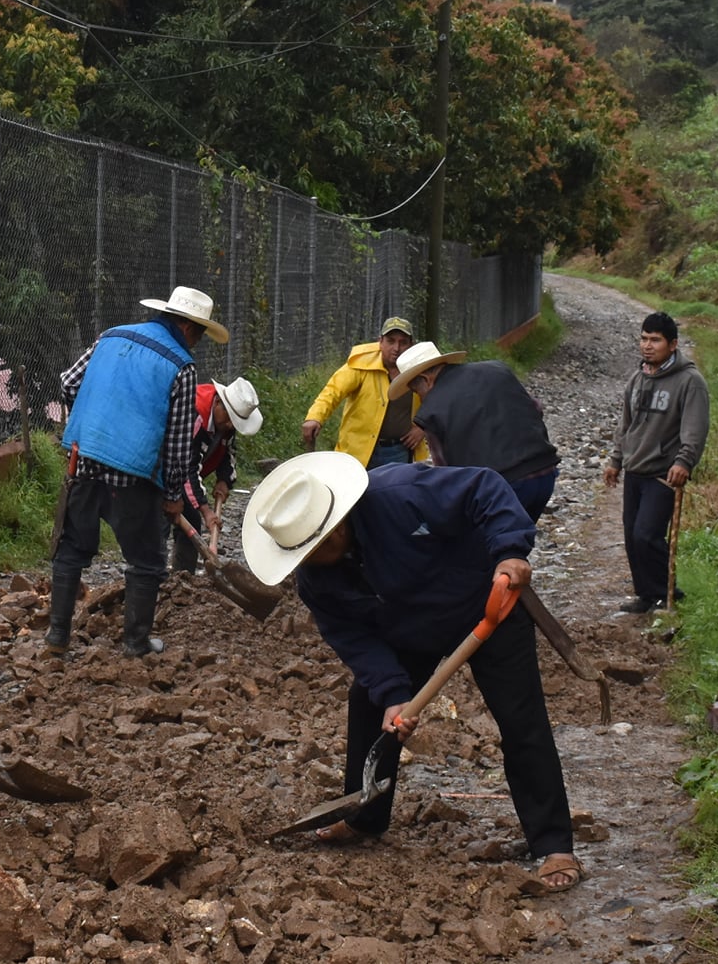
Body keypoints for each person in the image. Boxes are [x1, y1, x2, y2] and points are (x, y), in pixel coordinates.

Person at [243, 453, 581, 893]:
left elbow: (485, 485)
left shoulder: (400, 495)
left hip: (486, 605)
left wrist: (510, 551)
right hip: (405, 631)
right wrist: (392, 692)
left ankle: (553, 843)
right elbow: (355, 640)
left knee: (521, 720)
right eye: (300, 555)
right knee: (368, 703)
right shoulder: (315, 580)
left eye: (314, 549)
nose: (308, 560)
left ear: (338, 526)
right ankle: (366, 817)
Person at [47, 286, 228, 657]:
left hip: (84, 460)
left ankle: (57, 638)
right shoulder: (182, 366)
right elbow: (179, 443)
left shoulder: (109, 336)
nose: (197, 344)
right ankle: (135, 643)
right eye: (199, 336)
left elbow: (68, 383)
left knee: (71, 551)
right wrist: (175, 496)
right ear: (190, 328)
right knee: (147, 561)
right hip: (134, 474)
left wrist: (97, 420)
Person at [602, 311, 709, 613]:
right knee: (631, 537)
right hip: (635, 469)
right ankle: (647, 595)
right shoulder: (638, 378)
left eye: (656, 340)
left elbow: (695, 428)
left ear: (672, 344)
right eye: (644, 338)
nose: (648, 346)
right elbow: (626, 424)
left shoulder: (690, 382)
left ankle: (670, 594)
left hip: (663, 474)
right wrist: (615, 460)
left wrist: (684, 462)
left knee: (646, 535)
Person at [408, 351, 561, 524]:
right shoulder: (496, 369)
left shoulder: (432, 411)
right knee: (520, 539)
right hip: (545, 471)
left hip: (502, 487)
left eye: (417, 392)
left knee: (493, 546)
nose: (420, 398)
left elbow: (446, 471)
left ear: (426, 379)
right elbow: (536, 409)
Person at [301, 317, 431, 469]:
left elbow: (436, 400)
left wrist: (422, 427)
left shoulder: (419, 370)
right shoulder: (361, 365)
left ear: (411, 345)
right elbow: (332, 391)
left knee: (392, 491)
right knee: (354, 492)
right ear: (380, 341)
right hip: (357, 449)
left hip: (399, 450)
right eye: (391, 341)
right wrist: (315, 418)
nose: (396, 348)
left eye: (403, 342)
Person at [168, 376, 264, 573]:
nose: (230, 425)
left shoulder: (225, 422)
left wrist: (224, 480)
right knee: (159, 521)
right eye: (228, 418)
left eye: (234, 422)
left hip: (182, 469)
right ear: (219, 401)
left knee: (190, 518)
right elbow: (187, 468)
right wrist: (206, 510)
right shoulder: (194, 414)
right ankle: (151, 579)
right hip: (162, 468)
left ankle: (182, 579)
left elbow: (228, 451)